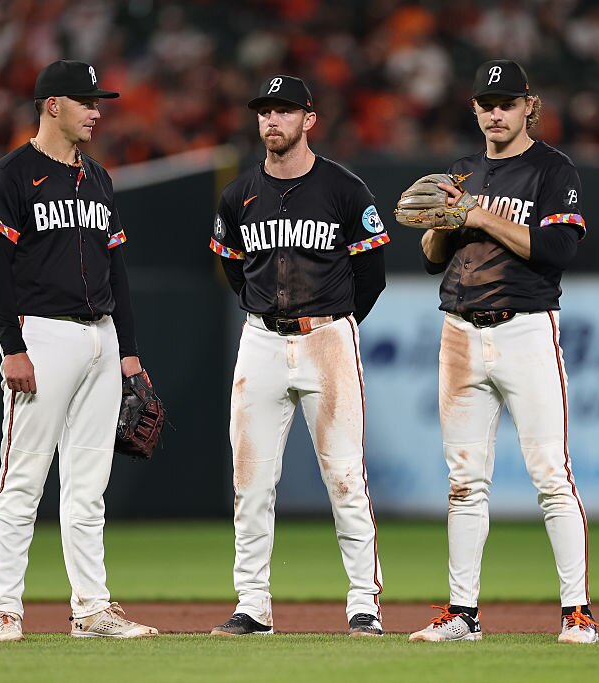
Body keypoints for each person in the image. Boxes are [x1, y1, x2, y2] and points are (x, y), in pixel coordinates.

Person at [408, 60, 596, 644]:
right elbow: (433, 257)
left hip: (525, 330)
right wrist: (441, 222)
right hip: (460, 331)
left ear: (528, 107)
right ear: (475, 109)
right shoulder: (461, 171)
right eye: (486, 103)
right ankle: (462, 613)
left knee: (551, 476)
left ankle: (578, 613)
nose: (495, 112)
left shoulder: (552, 169)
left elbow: (557, 248)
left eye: (506, 102)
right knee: (465, 481)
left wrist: (477, 214)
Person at [0, 60, 157, 642]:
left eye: (98, 101)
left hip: (101, 339)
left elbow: (118, 270)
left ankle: (92, 609)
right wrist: (12, 345)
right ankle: (5, 608)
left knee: (87, 486)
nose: (97, 111)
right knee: (23, 479)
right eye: (86, 101)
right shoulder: (10, 175)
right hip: (42, 336)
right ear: (52, 104)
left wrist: (128, 352)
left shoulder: (97, 178)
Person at [208, 75, 389, 637]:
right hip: (260, 339)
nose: (272, 122)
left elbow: (372, 274)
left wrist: (336, 323)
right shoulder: (239, 195)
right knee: (250, 480)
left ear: (309, 120)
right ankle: (252, 605)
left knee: (344, 477)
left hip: (327, 337)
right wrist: (265, 314)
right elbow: (233, 268)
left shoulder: (343, 188)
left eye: (284, 111)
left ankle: (364, 604)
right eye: (265, 112)